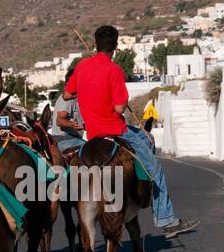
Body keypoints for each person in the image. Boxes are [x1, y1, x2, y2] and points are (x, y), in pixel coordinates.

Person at [64, 25, 198, 238]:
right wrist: (121, 99)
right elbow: (119, 108)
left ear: (96, 44)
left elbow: (66, 94)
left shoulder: (81, 67)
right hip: (117, 131)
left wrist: (85, 89)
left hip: (92, 134)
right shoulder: (114, 70)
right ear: (115, 46)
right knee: (155, 166)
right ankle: (166, 219)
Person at [50, 72, 85, 154]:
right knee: (92, 150)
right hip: (64, 139)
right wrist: (73, 124)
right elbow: (59, 121)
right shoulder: (68, 99)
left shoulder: (74, 98)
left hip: (70, 138)